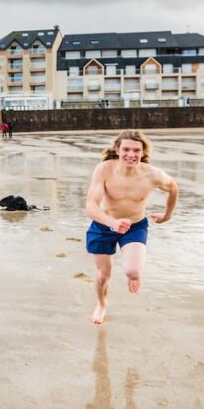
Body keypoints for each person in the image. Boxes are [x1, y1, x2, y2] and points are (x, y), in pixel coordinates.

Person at [84, 130, 178, 325]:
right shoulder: (104, 169)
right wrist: (113, 223)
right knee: (103, 276)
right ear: (117, 150)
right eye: (126, 149)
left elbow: (173, 187)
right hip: (104, 226)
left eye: (136, 150)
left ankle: (132, 274)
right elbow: (91, 205)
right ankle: (101, 304)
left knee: (133, 271)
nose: (131, 154)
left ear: (143, 152)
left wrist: (167, 215)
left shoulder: (152, 174)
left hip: (135, 226)